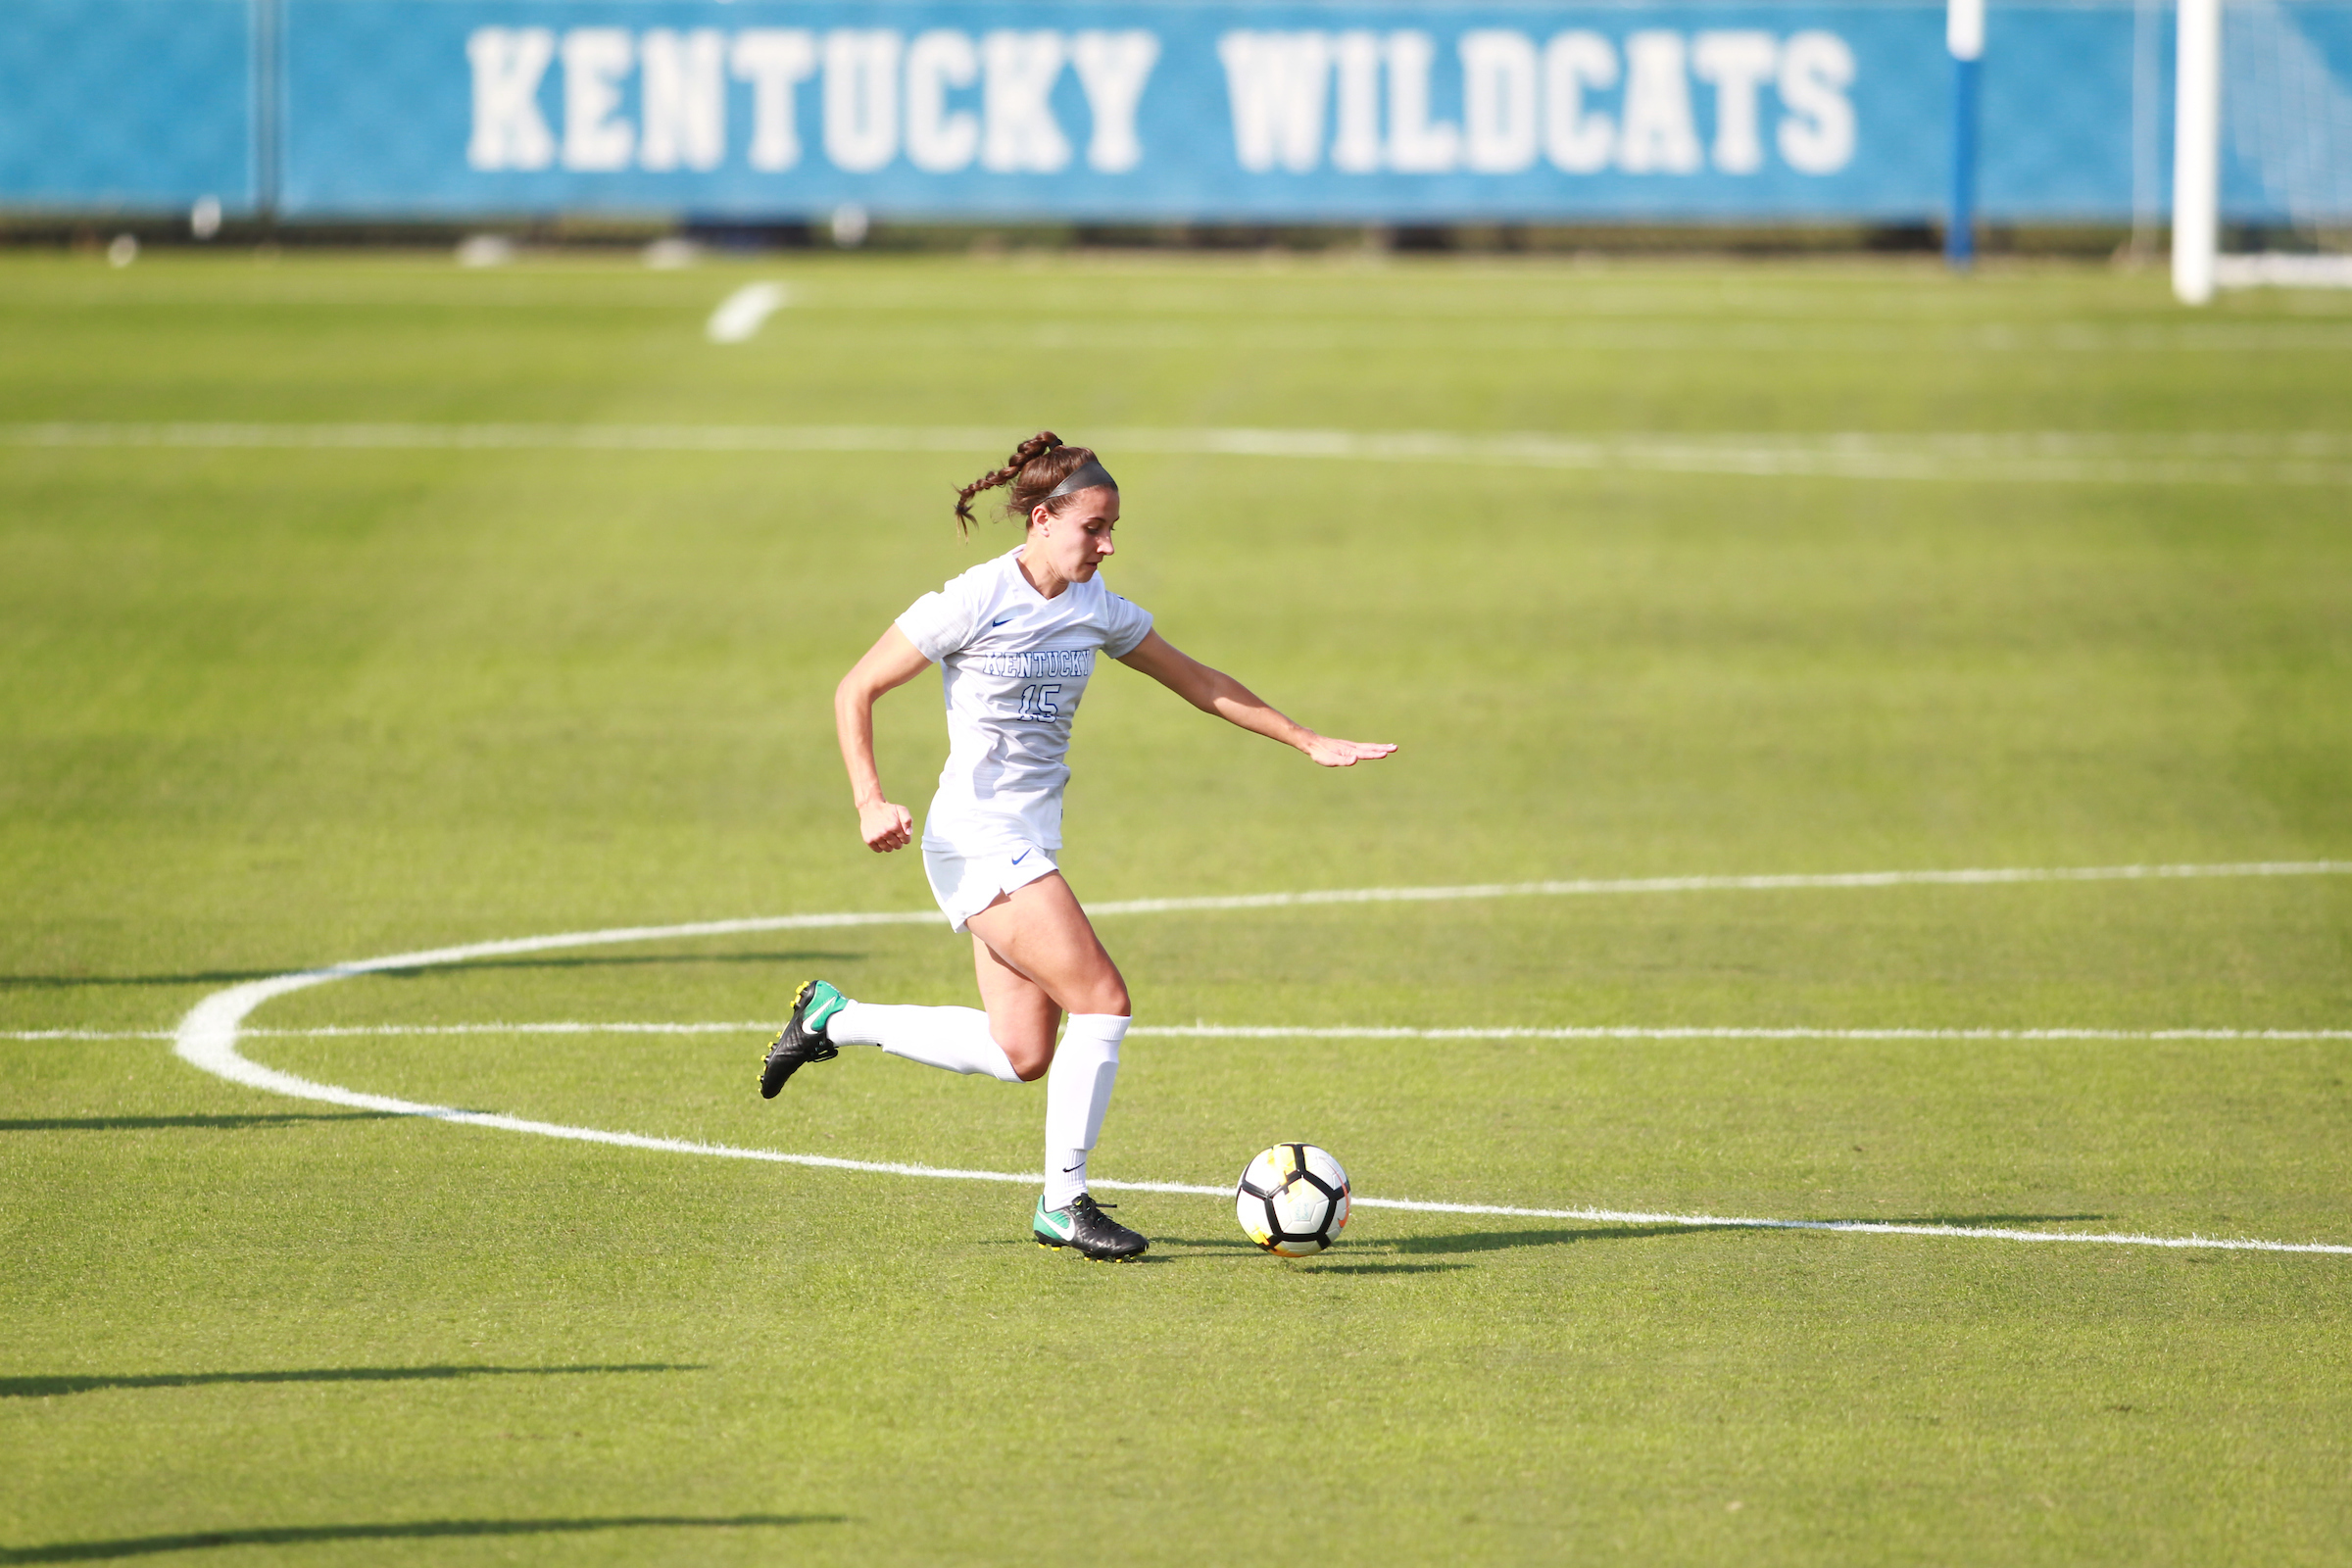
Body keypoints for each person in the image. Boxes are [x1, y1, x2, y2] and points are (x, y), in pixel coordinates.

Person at [758, 431, 1395, 1260]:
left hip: (1023, 841)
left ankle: (838, 1018)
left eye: (1113, 527)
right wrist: (868, 798)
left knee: (1021, 1051)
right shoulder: (972, 599)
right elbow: (857, 688)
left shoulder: (1097, 609)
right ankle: (1065, 1202)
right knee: (1104, 999)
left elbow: (1201, 682)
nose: (1108, 543)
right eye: (1094, 526)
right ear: (1043, 518)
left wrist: (1305, 739)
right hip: (978, 839)